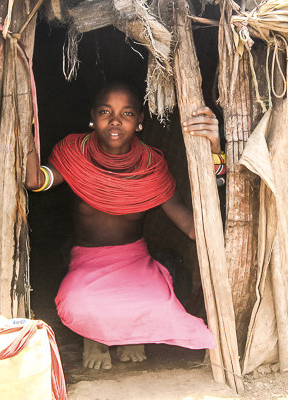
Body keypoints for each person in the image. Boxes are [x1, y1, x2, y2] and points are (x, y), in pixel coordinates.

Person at [26, 80, 221, 370]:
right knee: (76, 303)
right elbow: (36, 181)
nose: (115, 121)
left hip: (135, 262)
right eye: (106, 111)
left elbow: (193, 228)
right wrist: (25, 127)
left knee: (159, 305)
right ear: (92, 116)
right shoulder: (73, 152)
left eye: (127, 114)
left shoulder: (152, 166)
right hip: (87, 263)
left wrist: (216, 149)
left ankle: (129, 334)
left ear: (140, 121)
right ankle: (96, 338)